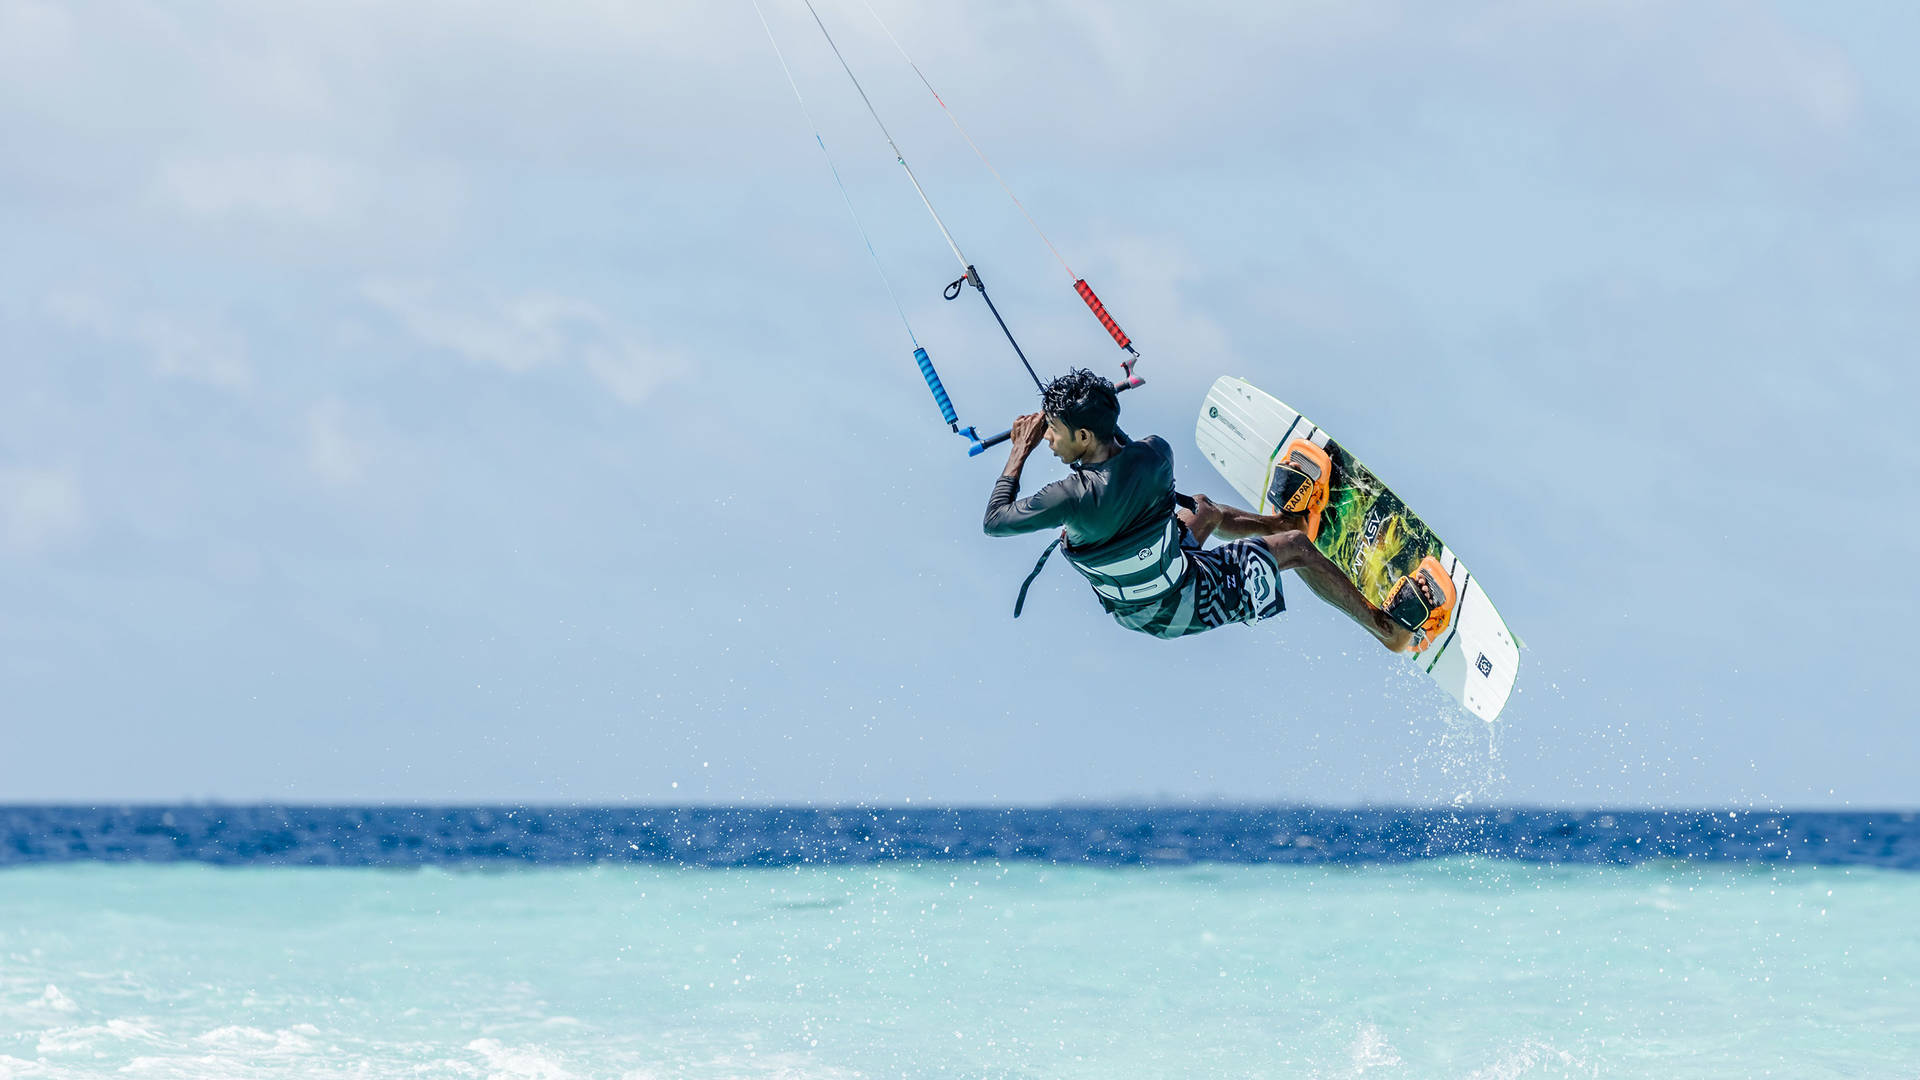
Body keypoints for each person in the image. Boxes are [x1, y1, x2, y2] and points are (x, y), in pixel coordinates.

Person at [982, 368, 1452, 649]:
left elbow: (996, 521)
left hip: (1164, 595)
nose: (1044, 437)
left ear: (1084, 437)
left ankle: (1292, 533)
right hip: (1166, 600)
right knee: (1291, 547)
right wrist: (1072, 426)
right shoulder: (1156, 455)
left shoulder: (1070, 497)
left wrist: (1015, 454)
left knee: (1209, 513)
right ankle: (1380, 622)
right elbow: (1120, 457)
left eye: (1052, 430)